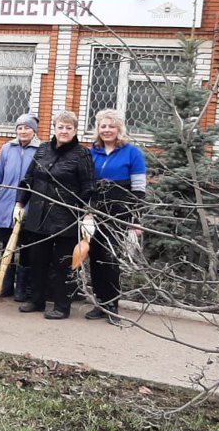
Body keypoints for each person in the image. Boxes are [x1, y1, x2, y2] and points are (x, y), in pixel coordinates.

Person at [15, 110, 95, 320]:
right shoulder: (42, 150)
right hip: (38, 216)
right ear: (54, 128)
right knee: (37, 260)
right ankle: (37, 300)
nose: (64, 131)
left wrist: (87, 213)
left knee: (62, 264)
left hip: (65, 218)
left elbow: (88, 186)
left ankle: (62, 306)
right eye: (61, 127)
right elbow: (29, 178)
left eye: (69, 128)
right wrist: (20, 202)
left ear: (75, 130)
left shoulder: (82, 154)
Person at [86, 109, 147, 324]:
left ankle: (112, 305)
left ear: (119, 129)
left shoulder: (132, 153)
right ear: (98, 129)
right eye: (103, 126)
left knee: (110, 257)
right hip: (95, 212)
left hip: (119, 212)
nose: (107, 130)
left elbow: (139, 188)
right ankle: (99, 302)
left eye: (111, 126)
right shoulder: (92, 152)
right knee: (94, 256)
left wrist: (135, 219)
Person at [0, 113, 41, 301]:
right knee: (6, 247)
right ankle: (4, 285)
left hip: (29, 208)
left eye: (27, 128)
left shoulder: (41, 150)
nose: (23, 131)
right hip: (6, 206)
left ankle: (21, 289)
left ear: (34, 131)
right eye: (20, 127)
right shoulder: (7, 148)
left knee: (26, 248)